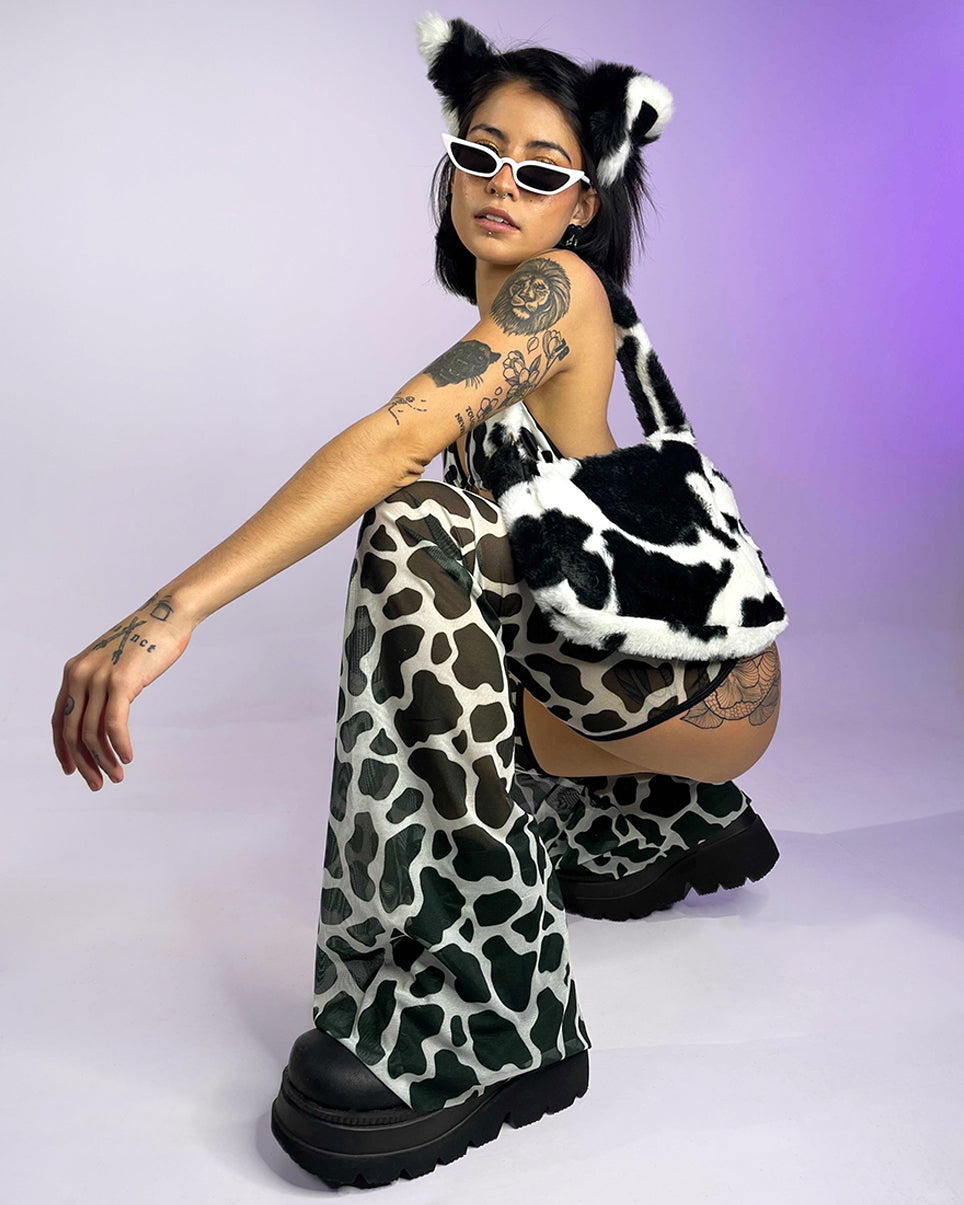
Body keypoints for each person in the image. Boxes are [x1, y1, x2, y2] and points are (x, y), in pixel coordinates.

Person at [50, 13, 784, 1189]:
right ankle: (651, 825)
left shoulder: (557, 289)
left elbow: (396, 439)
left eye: (540, 169)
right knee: (469, 551)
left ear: (582, 202)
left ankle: (482, 1009)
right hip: (660, 692)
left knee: (415, 530)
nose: (501, 184)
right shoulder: (523, 318)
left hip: (684, 685)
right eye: (479, 154)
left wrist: (171, 609)